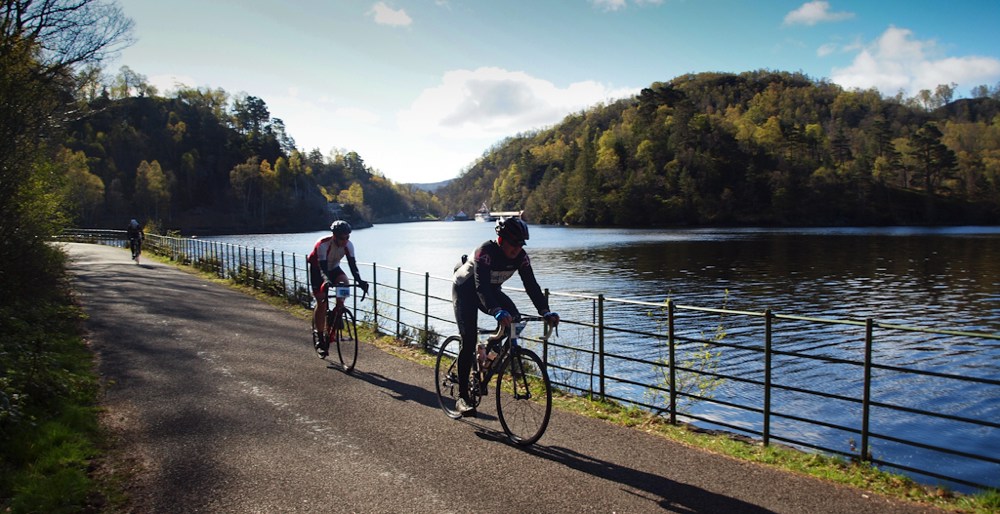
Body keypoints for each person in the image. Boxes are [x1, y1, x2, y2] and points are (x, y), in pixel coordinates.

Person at [451, 217, 559, 416]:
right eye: (514, 243)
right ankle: (462, 396)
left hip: (490, 291)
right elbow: (481, 287)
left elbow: (531, 286)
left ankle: (488, 351)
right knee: (468, 340)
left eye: (521, 244)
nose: (517, 248)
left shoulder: (521, 256)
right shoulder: (485, 252)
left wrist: (545, 311)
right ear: (501, 239)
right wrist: (496, 311)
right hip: (466, 291)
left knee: (515, 319)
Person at [308, 220, 369, 358]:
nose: (345, 241)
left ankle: (338, 309)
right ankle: (320, 337)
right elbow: (323, 268)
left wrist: (360, 281)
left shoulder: (349, 245)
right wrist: (327, 281)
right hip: (318, 269)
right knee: (321, 300)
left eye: (348, 237)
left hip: (334, 268)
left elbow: (353, 267)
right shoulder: (323, 244)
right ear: (334, 236)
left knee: (345, 282)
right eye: (342, 238)